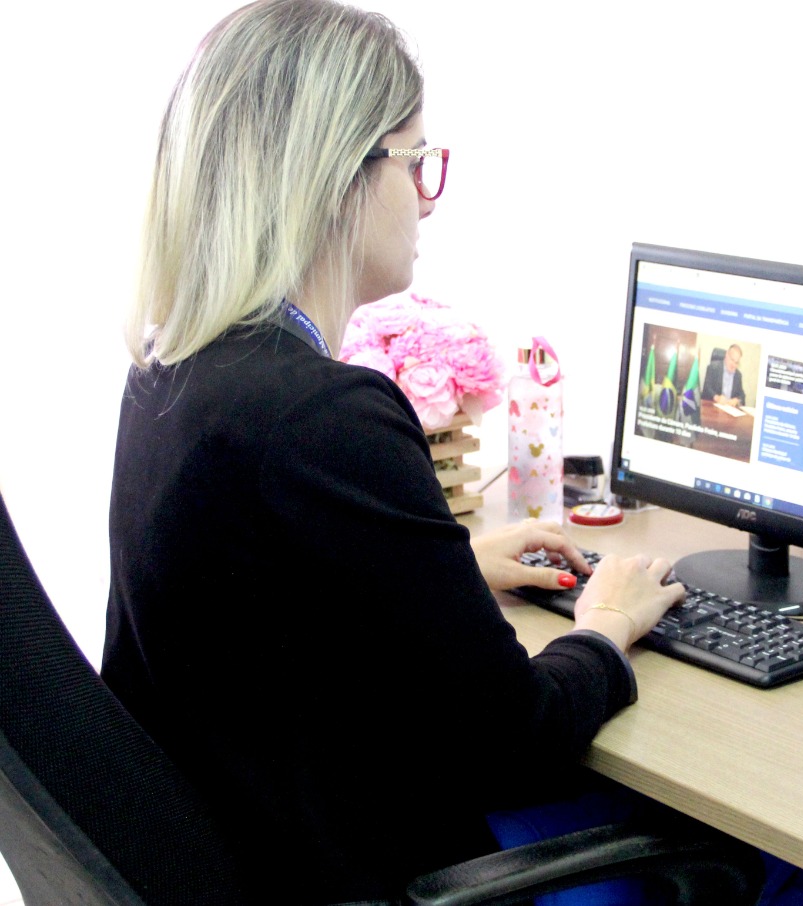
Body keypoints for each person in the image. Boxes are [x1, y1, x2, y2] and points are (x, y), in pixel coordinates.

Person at [101, 1, 688, 902]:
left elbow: (254, 613)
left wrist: (446, 571)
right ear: (335, 172)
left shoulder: (172, 368)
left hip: (243, 847)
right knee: (760, 856)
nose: (427, 196)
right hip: (359, 866)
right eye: (416, 162)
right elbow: (518, 737)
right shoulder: (321, 415)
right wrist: (605, 625)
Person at [703, 343, 747, 408]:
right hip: (713, 408)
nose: (733, 365)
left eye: (736, 362)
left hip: (729, 410)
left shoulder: (738, 375)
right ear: (726, 355)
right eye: (732, 360)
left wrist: (737, 400)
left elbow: (742, 395)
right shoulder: (713, 368)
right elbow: (706, 388)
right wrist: (717, 397)